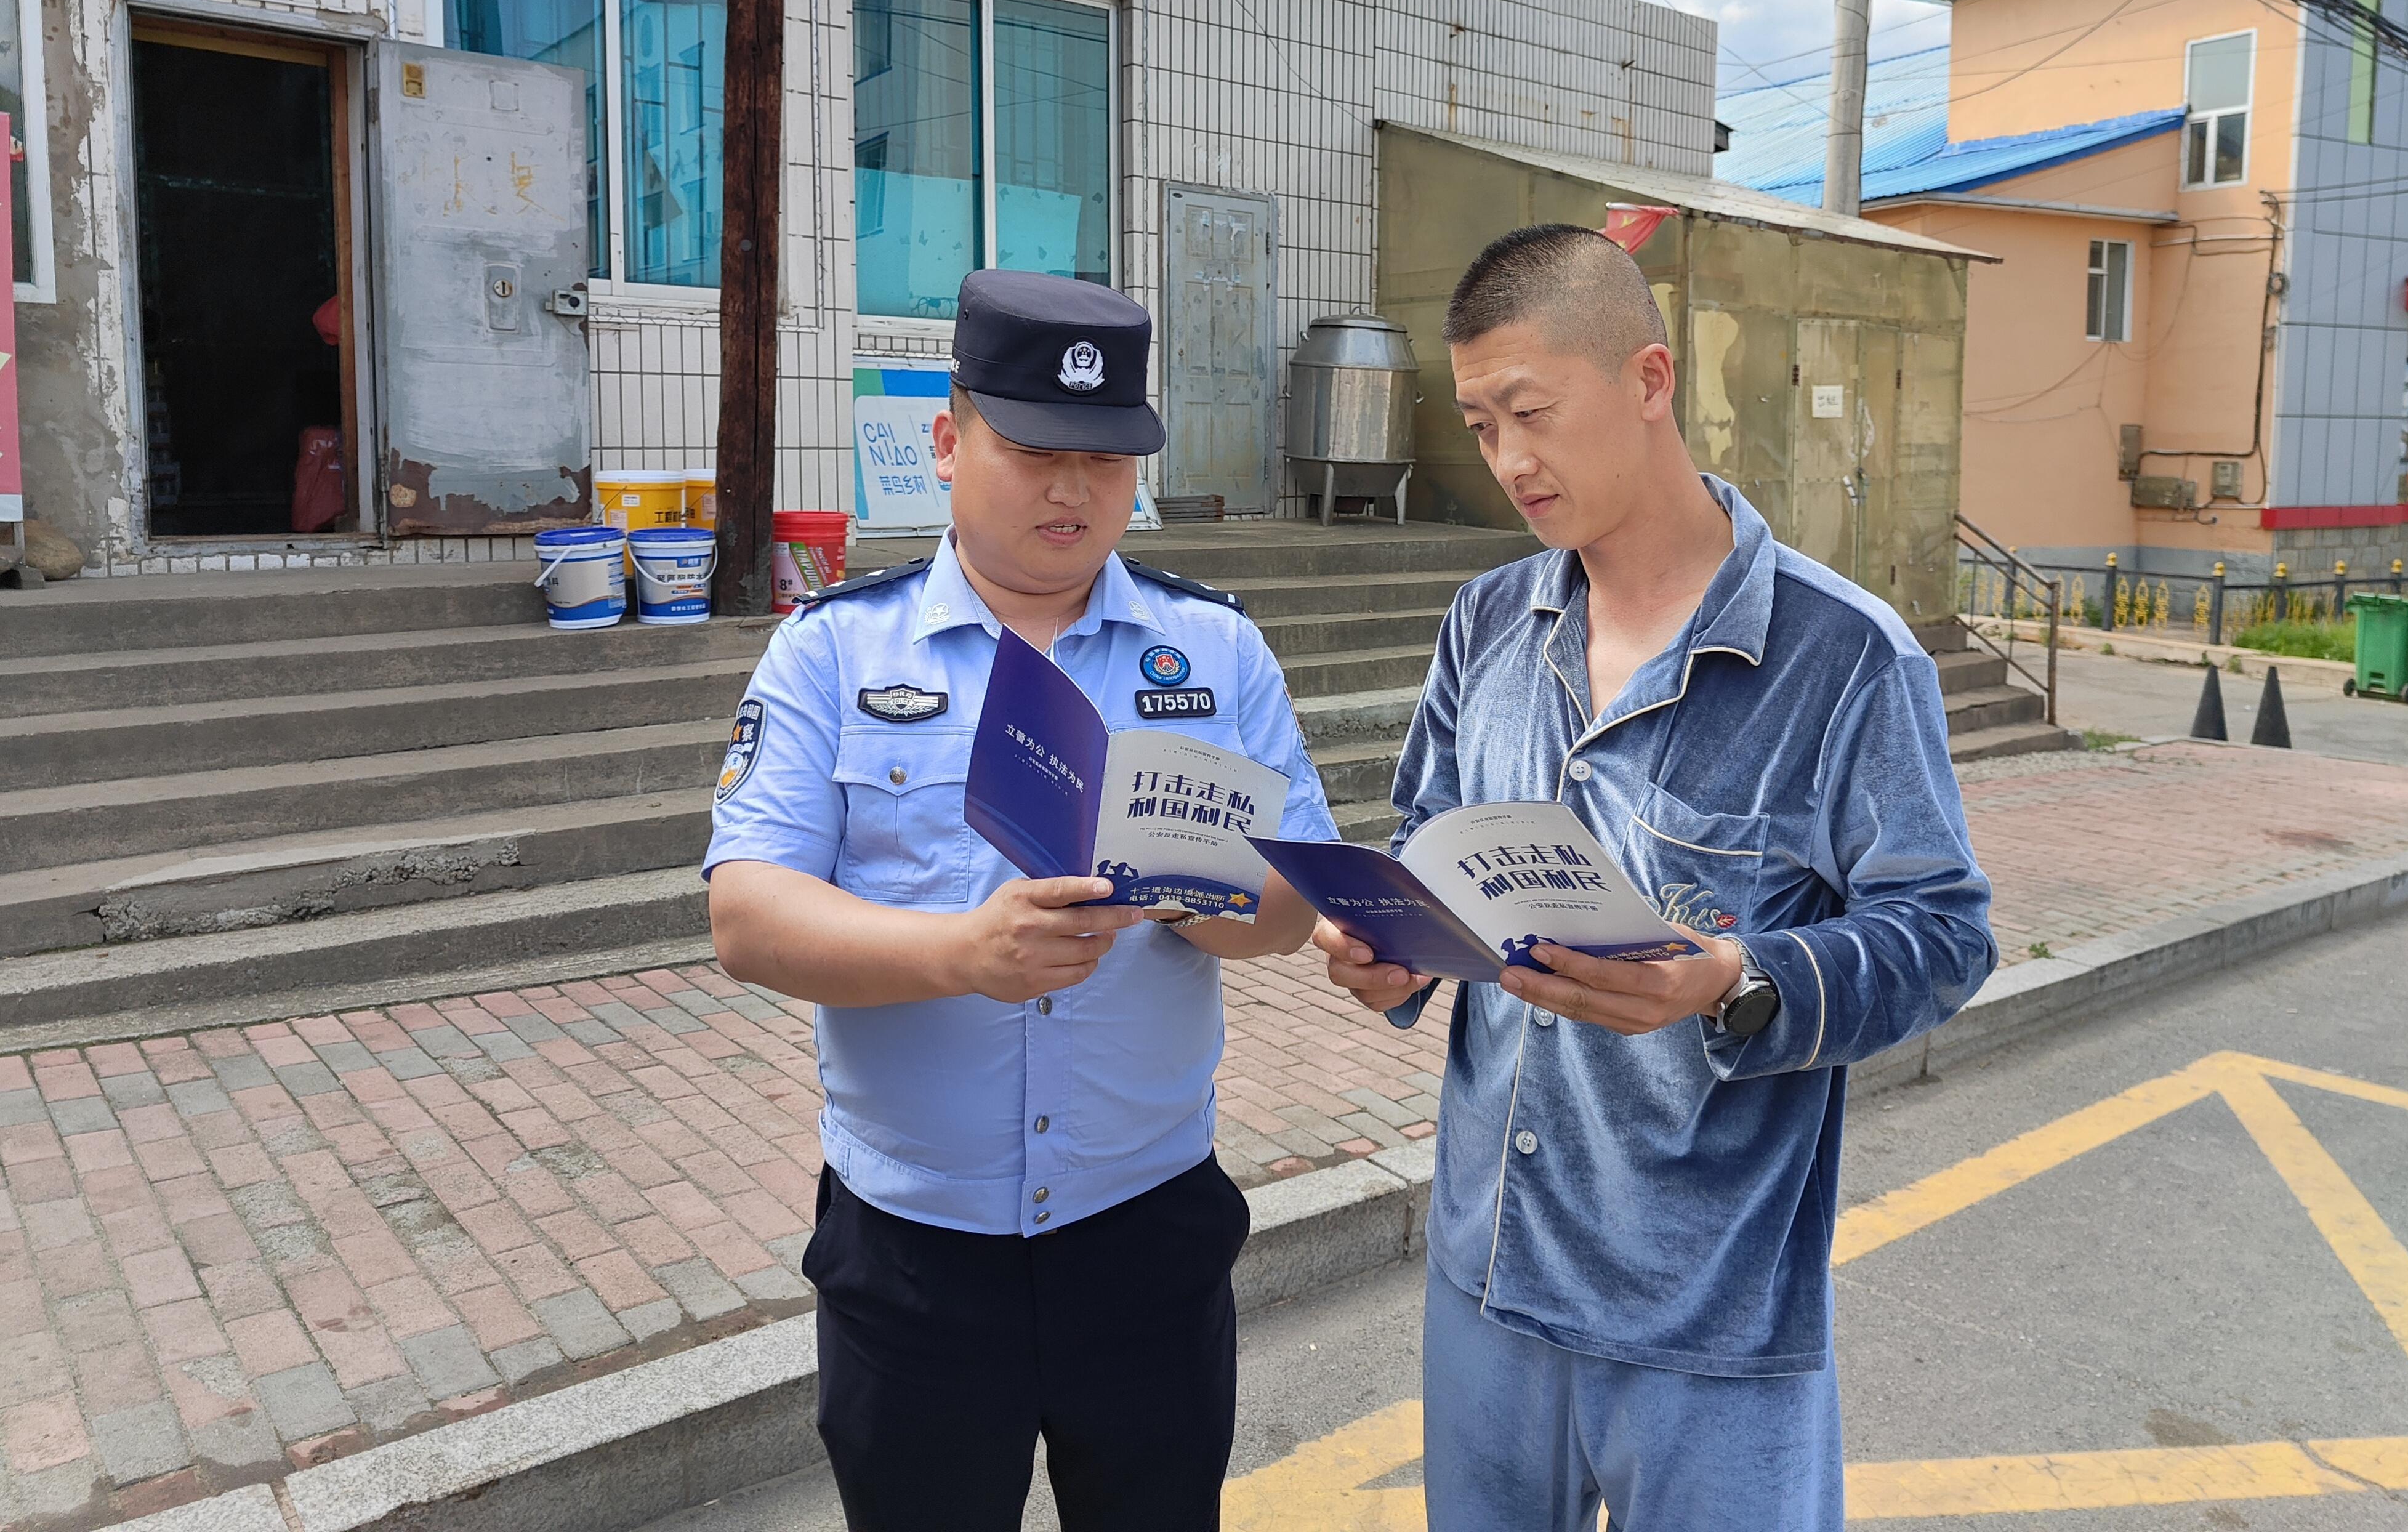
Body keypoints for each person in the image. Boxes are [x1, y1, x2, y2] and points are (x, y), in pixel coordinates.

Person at [1313, 224, 1997, 1532]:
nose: (1509, 462)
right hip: (1487, 1269)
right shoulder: (1487, 623)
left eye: (1532, 415)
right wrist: (1392, 950)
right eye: (1480, 426)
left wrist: (1736, 979)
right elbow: (1429, 834)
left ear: (1648, 379)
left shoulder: (1843, 658)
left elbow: (1943, 933)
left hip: (1705, 1304)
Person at [707, 269, 1335, 1531]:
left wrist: (1189, 892)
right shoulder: (835, 648)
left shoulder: (1214, 650)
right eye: (1035, 452)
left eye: (1105, 460)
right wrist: (962, 953)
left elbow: (1291, 902)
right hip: (915, 1252)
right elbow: (749, 914)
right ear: (948, 444)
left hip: (1146, 1235)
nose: (1073, 490)